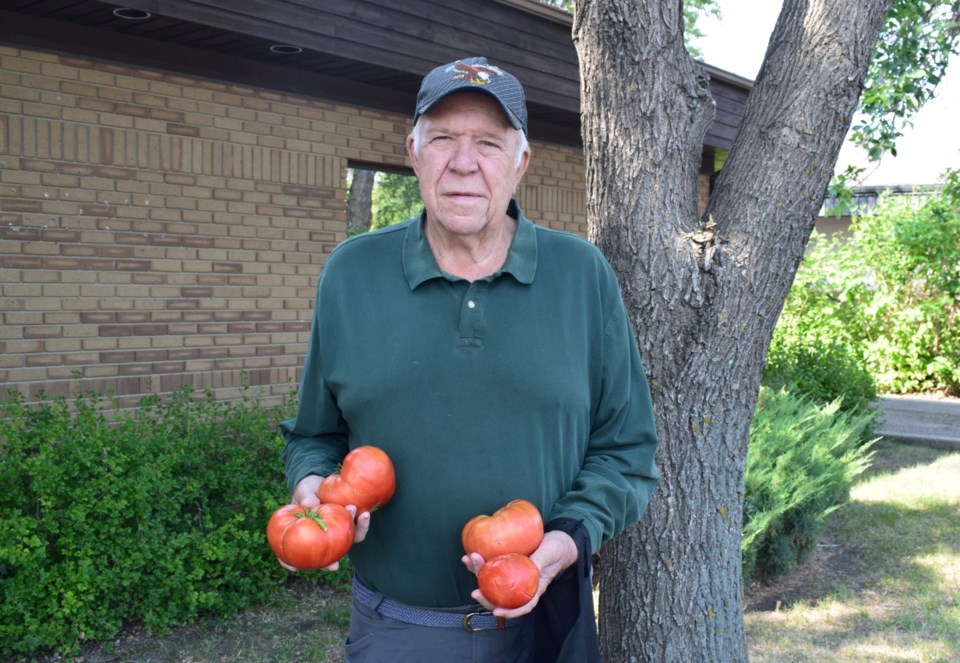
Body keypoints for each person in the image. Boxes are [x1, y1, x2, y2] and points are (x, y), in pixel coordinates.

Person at [279, 56, 659, 662]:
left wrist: (564, 541)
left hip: (547, 631)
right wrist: (312, 498)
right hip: (396, 634)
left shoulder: (581, 276)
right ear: (413, 152)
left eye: (487, 142)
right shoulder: (351, 274)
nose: (463, 162)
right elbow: (313, 436)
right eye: (443, 140)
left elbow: (627, 451)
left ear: (520, 162)